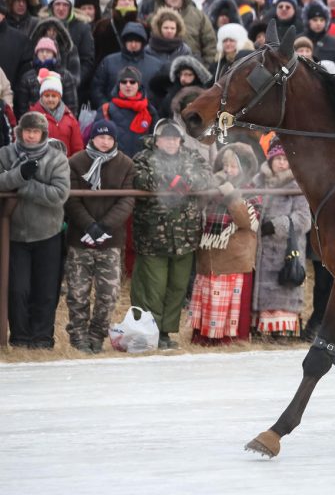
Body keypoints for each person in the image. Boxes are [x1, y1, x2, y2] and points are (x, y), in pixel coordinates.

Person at [131, 119, 214, 349]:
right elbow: (136, 177)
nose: (170, 142)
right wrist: (164, 180)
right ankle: (149, 331)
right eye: (166, 138)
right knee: (152, 288)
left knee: (177, 288)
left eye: (174, 138)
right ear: (157, 140)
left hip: (185, 237)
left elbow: (208, 176)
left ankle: (166, 332)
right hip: (152, 237)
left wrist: (187, 182)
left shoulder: (192, 157)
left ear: (180, 140)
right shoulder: (143, 157)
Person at [0, 111, 70, 348]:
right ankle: (19, 338)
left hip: (48, 232)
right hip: (15, 234)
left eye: (36, 132)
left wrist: (24, 185)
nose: (31, 136)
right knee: (18, 290)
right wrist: (19, 174)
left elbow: (59, 194)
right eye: (27, 131)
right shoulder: (6, 154)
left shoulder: (57, 158)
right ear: (20, 132)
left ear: (43, 134)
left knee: (46, 290)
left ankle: (42, 338)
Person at [64, 119, 135, 353]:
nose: (104, 142)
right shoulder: (76, 161)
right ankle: (78, 336)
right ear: (91, 138)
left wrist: (104, 227)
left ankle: (97, 335)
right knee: (78, 293)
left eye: (109, 138)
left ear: (115, 140)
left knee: (108, 294)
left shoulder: (125, 164)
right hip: (80, 239)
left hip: (110, 239)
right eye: (100, 137)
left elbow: (127, 200)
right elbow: (71, 198)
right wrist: (89, 226)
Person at [190, 143, 262, 345]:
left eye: (233, 166)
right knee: (209, 297)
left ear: (244, 169)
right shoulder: (215, 189)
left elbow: (247, 222)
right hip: (210, 256)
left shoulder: (251, 191)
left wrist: (231, 195)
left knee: (232, 302)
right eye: (225, 165)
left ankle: (229, 338)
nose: (228, 171)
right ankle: (205, 337)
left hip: (235, 258)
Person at [252, 140, 311, 337]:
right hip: (261, 249)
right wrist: (258, 224)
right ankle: (261, 329)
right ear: (270, 160)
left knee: (283, 290)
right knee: (261, 290)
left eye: (286, 159)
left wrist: (276, 225)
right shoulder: (258, 181)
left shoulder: (297, 184)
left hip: (285, 249)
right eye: (278, 159)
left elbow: (304, 220)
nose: (282, 163)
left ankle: (282, 331)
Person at [92, 22, 163, 109]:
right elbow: (97, 88)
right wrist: (106, 106)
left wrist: (150, 110)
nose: (133, 45)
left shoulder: (155, 65)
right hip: (113, 114)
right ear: (124, 42)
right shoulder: (109, 61)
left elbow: (160, 94)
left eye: (137, 41)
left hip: (145, 115)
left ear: (143, 43)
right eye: (130, 41)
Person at [154, 0, 217, 66]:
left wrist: (204, 68)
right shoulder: (155, 18)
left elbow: (210, 43)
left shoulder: (198, 16)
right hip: (162, 68)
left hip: (193, 69)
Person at [95, 66, 157, 156]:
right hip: (114, 164)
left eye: (132, 82)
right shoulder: (106, 109)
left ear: (138, 85)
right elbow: (96, 142)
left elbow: (156, 143)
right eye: (123, 82)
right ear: (118, 85)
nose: (128, 85)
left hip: (141, 166)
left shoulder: (149, 110)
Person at [15, 37, 79, 120]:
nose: (44, 54)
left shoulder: (65, 76)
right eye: (41, 51)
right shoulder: (27, 77)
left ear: (54, 54)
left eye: (48, 51)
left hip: (60, 122)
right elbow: (22, 108)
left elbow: (72, 106)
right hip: (35, 123)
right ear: (36, 54)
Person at [24, 69, 83, 156]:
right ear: (41, 96)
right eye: (47, 95)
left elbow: (78, 149)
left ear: (59, 97)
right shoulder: (31, 116)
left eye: (54, 96)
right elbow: (23, 145)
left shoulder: (70, 118)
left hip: (64, 166)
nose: (50, 99)